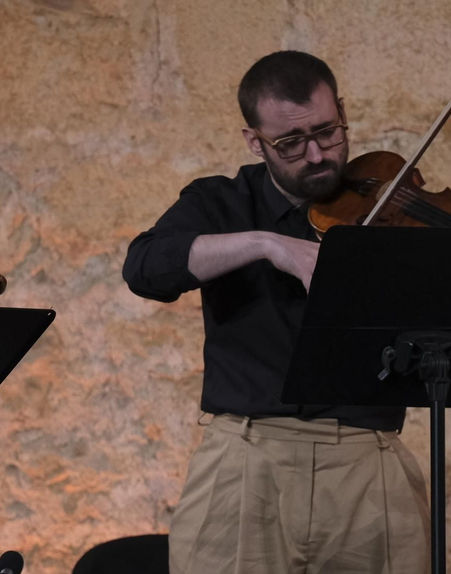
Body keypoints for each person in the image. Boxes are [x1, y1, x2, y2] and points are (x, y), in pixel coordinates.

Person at [123, 50, 430, 574]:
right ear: (254, 140)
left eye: (328, 133)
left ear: (341, 112)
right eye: (290, 142)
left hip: (365, 458)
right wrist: (267, 244)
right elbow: (146, 267)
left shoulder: (386, 210)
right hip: (246, 457)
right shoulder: (220, 203)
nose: (315, 155)